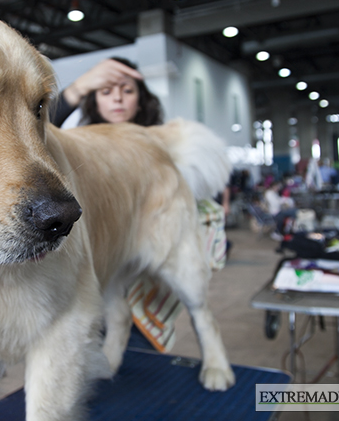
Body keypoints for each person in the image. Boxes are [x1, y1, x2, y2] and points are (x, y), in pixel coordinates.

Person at [52, 57, 228, 352]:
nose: (117, 98)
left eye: (127, 90)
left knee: (146, 347)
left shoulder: (161, 144)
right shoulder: (73, 144)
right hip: (96, 271)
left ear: (141, 98)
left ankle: (209, 341)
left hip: (157, 258)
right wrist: (78, 87)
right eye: (106, 91)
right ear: (93, 99)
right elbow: (36, 129)